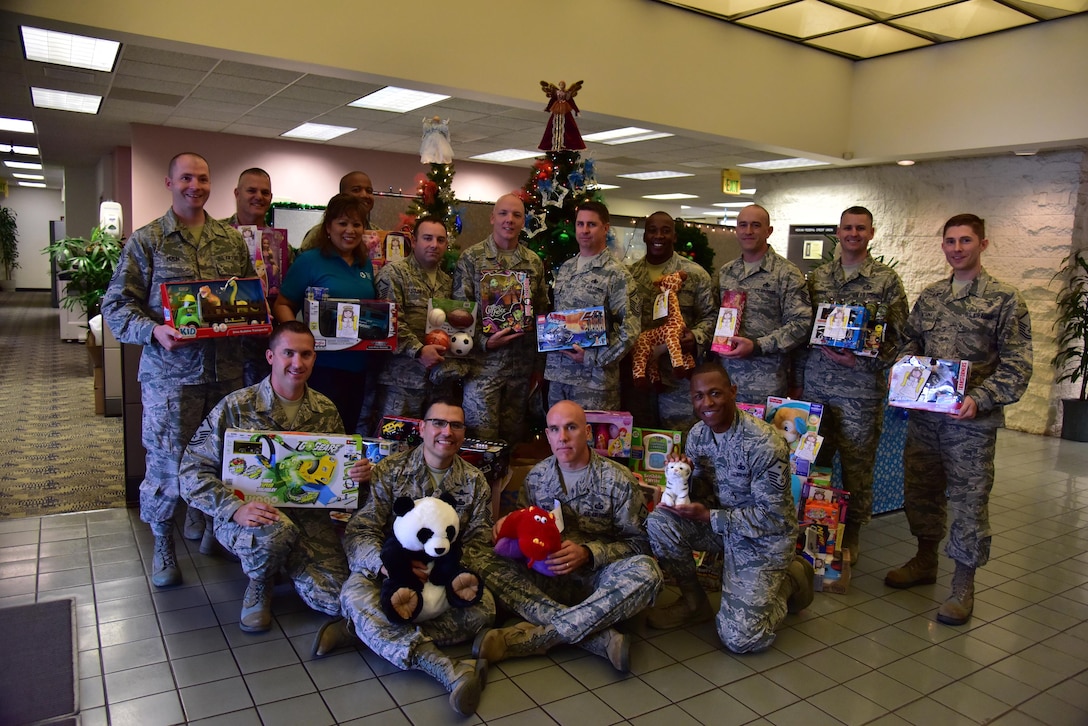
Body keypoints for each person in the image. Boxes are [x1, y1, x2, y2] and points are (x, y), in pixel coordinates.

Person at [101, 152, 256, 588]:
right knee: (168, 468)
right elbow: (115, 305)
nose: (195, 186)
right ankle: (164, 546)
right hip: (171, 379)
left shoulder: (229, 240)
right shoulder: (147, 240)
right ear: (169, 183)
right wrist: (153, 331)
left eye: (203, 178)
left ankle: (209, 526)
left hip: (225, 375)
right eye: (186, 177)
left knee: (224, 460)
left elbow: (247, 298)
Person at [884, 214, 1032, 626]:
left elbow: (1018, 366)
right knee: (921, 490)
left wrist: (980, 399)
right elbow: (911, 340)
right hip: (926, 417)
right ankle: (925, 559)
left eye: (965, 241)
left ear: (982, 245)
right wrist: (904, 366)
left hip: (970, 423)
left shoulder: (1005, 300)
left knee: (968, 501)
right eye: (950, 241)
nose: (956, 248)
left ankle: (962, 586)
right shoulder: (931, 296)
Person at [179, 322, 371, 632]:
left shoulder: (325, 410)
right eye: (288, 353)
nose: (298, 363)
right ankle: (259, 581)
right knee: (274, 534)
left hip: (308, 516)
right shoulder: (236, 407)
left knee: (337, 601)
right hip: (250, 514)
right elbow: (191, 471)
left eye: (306, 354)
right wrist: (233, 509)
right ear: (270, 356)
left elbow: (335, 482)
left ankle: (288, 561)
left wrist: (356, 477)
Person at [315, 399, 495, 716]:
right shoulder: (389, 472)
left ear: (463, 434)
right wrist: (388, 566)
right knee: (354, 596)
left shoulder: (475, 482)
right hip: (390, 573)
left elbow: (479, 542)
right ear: (422, 428)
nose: (447, 432)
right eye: (438, 423)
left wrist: (447, 568)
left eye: (456, 425)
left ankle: (365, 632)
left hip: (442, 574)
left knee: (486, 610)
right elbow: (361, 531)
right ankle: (447, 670)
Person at [475, 400, 662, 671]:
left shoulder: (618, 479)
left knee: (649, 572)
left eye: (571, 427)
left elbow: (640, 544)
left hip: (599, 581)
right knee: (479, 556)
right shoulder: (537, 477)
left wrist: (589, 553)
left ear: (587, 432)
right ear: (548, 436)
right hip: (547, 576)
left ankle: (539, 637)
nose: (562, 437)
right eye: (554, 429)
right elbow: (523, 533)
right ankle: (595, 636)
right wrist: (506, 528)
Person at [645, 362, 814, 653]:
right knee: (660, 521)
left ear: (732, 392)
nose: (707, 403)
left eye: (715, 393)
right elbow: (701, 491)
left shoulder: (765, 443)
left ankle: (789, 581)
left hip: (763, 539)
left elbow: (770, 516)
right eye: (698, 396)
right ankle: (693, 602)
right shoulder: (698, 435)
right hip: (721, 526)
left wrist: (708, 515)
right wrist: (680, 476)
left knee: (740, 638)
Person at [794, 207, 908, 565]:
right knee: (815, 464)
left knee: (857, 469)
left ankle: (852, 533)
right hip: (816, 390)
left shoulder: (886, 281)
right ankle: (814, 532)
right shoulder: (816, 278)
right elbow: (801, 333)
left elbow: (901, 339)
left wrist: (860, 361)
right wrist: (797, 383)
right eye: (847, 228)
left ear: (871, 233)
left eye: (861, 228)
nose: (853, 234)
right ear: (838, 232)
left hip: (861, 392)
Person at [273, 193, 376, 433]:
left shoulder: (366, 265)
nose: (350, 230)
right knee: (314, 432)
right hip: (320, 367)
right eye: (342, 223)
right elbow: (283, 304)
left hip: (357, 367)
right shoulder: (309, 261)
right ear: (328, 227)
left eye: (356, 224)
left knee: (347, 432)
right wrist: (300, 341)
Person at [452, 194, 548, 443]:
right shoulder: (472, 258)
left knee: (512, 441)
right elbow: (460, 315)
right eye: (504, 213)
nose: (509, 220)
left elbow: (541, 315)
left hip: (520, 369)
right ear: (492, 217)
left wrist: (539, 366)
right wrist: (485, 342)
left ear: (523, 220)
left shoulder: (533, 262)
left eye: (516, 215)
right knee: (479, 441)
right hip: (483, 368)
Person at [625, 211, 719, 432]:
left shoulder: (694, 274)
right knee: (639, 442)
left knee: (679, 444)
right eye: (653, 231)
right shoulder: (628, 275)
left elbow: (711, 315)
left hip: (679, 380)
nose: (659, 236)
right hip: (639, 379)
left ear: (674, 236)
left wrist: (695, 337)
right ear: (644, 236)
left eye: (666, 231)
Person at [544, 201, 640, 410]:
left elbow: (630, 329)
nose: (584, 230)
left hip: (594, 382)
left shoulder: (617, 274)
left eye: (591, 225)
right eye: (580, 224)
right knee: (558, 440)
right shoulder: (566, 269)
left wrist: (593, 358)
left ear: (605, 228)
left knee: (593, 441)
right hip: (558, 377)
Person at [717, 204, 812, 404]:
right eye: (743, 225)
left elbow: (801, 324)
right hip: (725, 379)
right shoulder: (725, 272)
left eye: (755, 225)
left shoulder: (786, 273)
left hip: (766, 381)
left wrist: (758, 345)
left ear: (768, 231)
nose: (748, 231)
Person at [374, 216, 455, 420]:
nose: (434, 245)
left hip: (438, 382)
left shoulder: (449, 282)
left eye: (440, 240)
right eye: (427, 238)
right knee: (395, 445)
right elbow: (389, 322)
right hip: (401, 381)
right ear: (413, 240)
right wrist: (418, 351)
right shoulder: (393, 274)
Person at [301, 171, 376, 250]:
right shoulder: (317, 234)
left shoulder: (379, 232)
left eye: (369, 191)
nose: (364, 195)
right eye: (356, 190)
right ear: (342, 195)